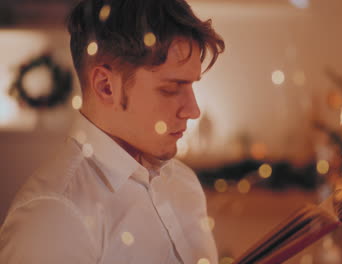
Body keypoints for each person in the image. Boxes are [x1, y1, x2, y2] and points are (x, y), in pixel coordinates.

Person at [0, 0, 224, 263]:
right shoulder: (54, 216)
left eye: (192, 85)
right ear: (106, 86)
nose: (194, 110)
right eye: (171, 88)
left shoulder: (184, 184)